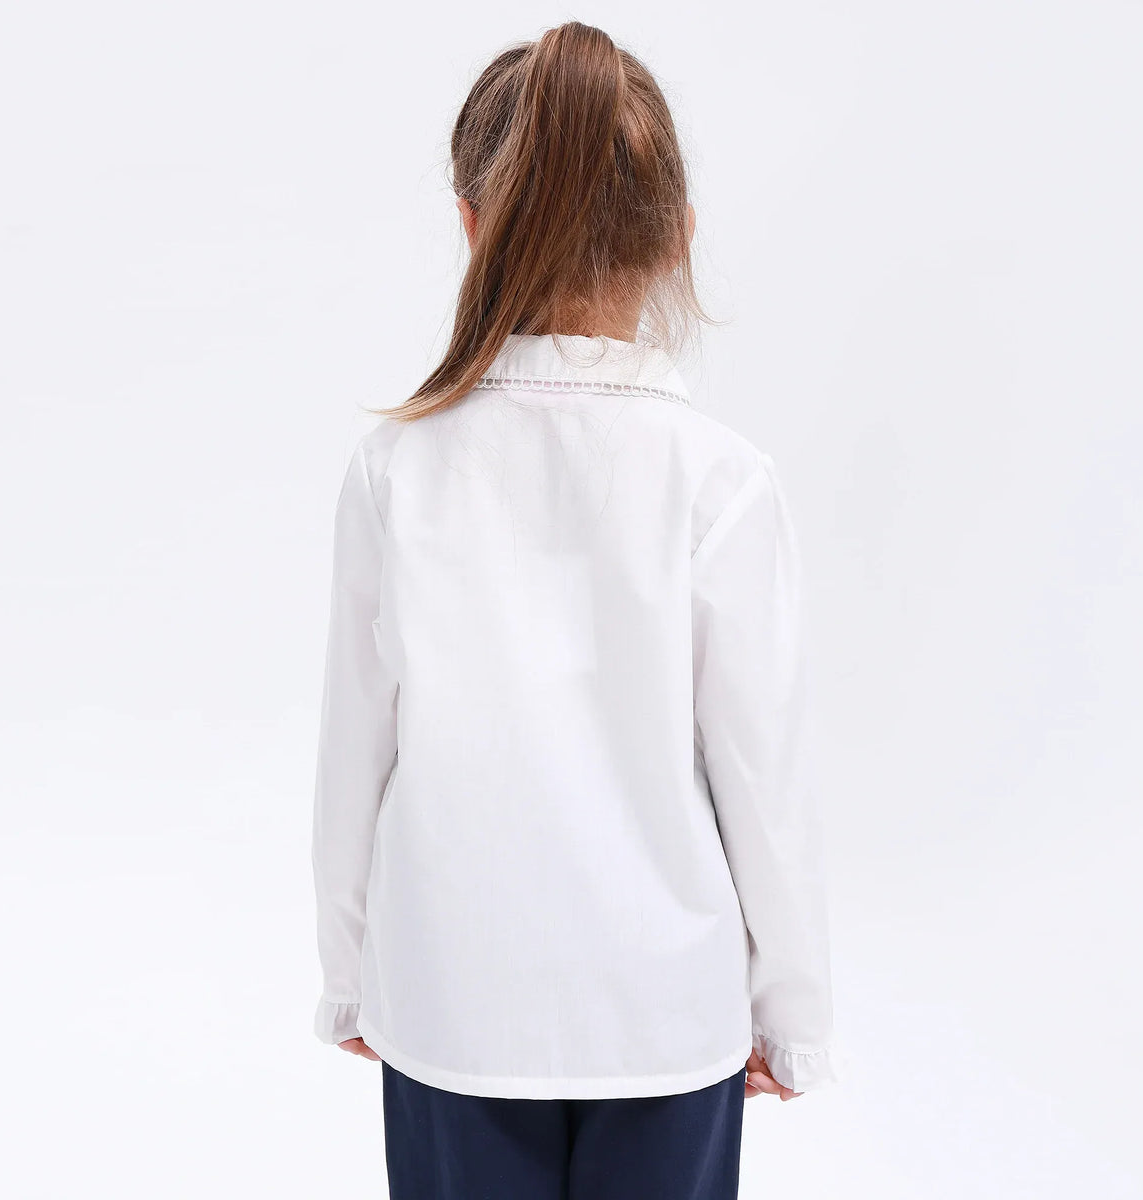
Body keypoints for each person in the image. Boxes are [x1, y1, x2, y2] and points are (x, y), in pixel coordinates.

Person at [311, 20, 838, 1199]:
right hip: (666, 1014)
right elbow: (764, 775)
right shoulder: (721, 481)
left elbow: (356, 751)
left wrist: (350, 975)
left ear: (471, 225)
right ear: (678, 237)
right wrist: (793, 1013)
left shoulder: (396, 471)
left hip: (451, 1004)